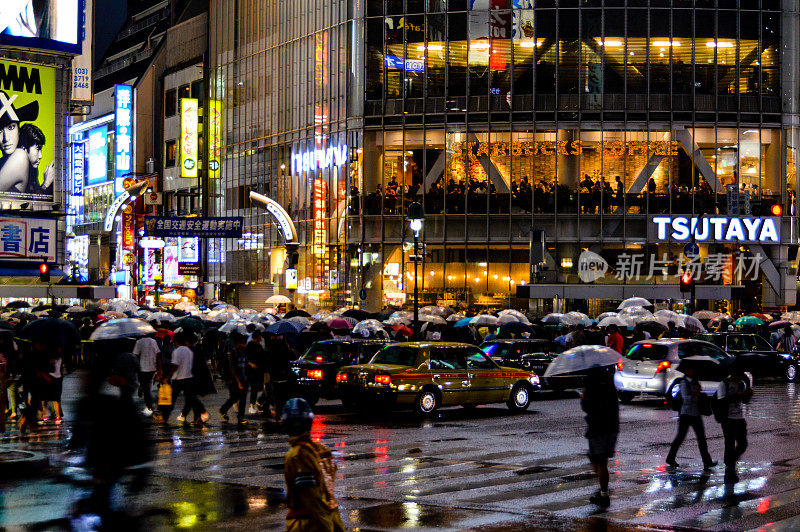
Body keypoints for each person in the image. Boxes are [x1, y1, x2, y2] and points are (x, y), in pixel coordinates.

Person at [282, 398, 345, 532]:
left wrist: (325, 526)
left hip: (308, 523)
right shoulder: (324, 450)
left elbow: (311, 499)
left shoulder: (297, 455)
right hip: (333, 516)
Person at [581, 366, 619, 509]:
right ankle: (603, 489)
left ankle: (604, 493)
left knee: (600, 461)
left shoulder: (591, 383)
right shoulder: (609, 382)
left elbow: (588, 407)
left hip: (598, 427)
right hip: (612, 426)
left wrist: (584, 396)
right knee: (600, 459)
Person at [665, 366, 716, 470]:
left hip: (696, 414)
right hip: (686, 414)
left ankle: (707, 462)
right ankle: (670, 458)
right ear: (687, 371)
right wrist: (696, 393)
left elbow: (697, 397)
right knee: (680, 437)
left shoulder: (695, 382)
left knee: (702, 438)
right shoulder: (684, 383)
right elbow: (686, 399)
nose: (693, 371)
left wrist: (699, 393)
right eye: (690, 369)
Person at [159, 331, 209, 426]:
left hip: (178, 379)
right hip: (188, 378)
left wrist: (168, 377)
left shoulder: (177, 351)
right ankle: (203, 412)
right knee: (191, 398)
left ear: (176, 341)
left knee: (172, 399)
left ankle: (165, 418)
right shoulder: (189, 351)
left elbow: (174, 366)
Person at [716, 363, 752, 483]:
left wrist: (748, 395)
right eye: (739, 375)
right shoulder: (724, 384)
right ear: (734, 374)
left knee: (743, 444)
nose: (741, 378)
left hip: (740, 418)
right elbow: (721, 402)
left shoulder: (741, 384)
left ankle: (731, 462)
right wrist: (737, 395)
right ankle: (729, 472)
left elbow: (745, 401)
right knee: (729, 445)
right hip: (728, 419)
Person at [219, 332, 248, 425]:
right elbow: (233, 368)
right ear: (236, 344)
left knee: (237, 397)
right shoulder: (232, 353)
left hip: (243, 378)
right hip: (235, 379)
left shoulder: (242, 352)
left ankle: (224, 409)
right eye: (241, 343)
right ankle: (240, 417)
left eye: (243, 343)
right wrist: (238, 381)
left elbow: (244, 365)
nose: (243, 345)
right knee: (238, 397)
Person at [18, 123, 54, 195]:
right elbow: (29, 201)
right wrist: (46, 183)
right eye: (37, 149)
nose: (40, 156)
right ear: (24, 148)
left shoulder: (32, 170)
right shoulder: (16, 171)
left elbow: (35, 197)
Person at [133, 333, 160, 416]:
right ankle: (149, 406)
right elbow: (158, 354)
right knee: (148, 387)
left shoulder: (139, 342)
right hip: (152, 368)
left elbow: (135, 355)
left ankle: (149, 407)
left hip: (142, 368)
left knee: (146, 388)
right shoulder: (153, 341)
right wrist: (159, 368)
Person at [246, 330, 267, 414]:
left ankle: (258, 403)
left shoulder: (259, 346)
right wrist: (251, 364)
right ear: (255, 338)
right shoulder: (250, 345)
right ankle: (252, 405)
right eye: (259, 338)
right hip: (252, 371)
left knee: (261, 388)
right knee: (254, 388)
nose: (260, 339)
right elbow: (247, 357)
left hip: (259, 370)